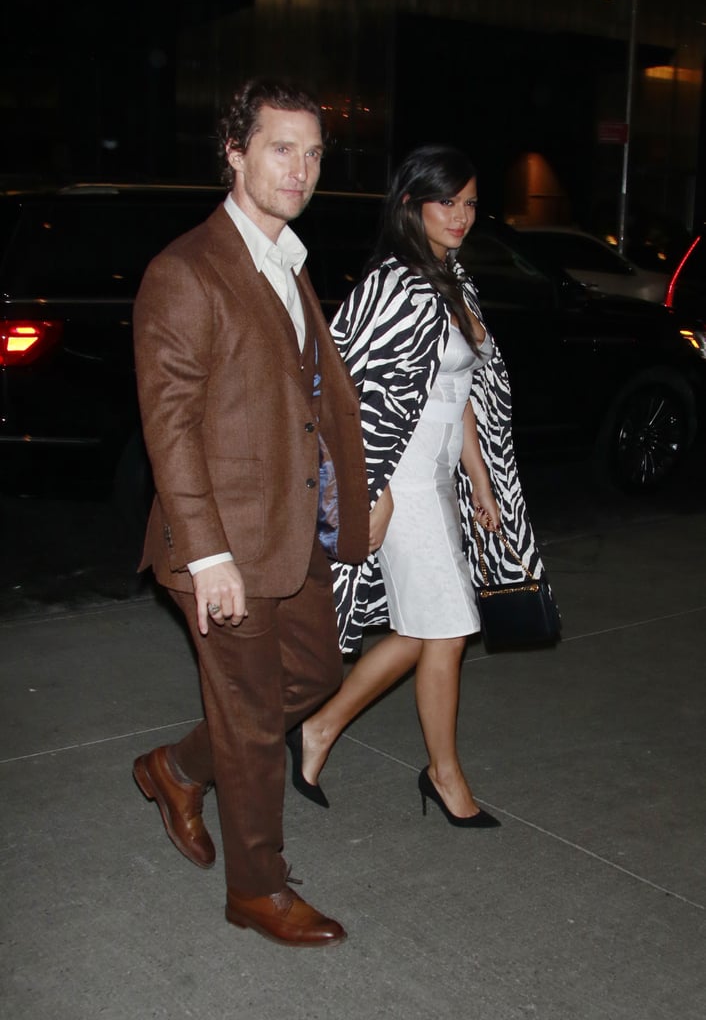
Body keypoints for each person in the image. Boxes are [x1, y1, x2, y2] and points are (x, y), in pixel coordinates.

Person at [131, 78, 369, 948]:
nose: (301, 168)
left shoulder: (288, 262)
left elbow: (311, 402)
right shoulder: (187, 270)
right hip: (223, 548)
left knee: (313, 677)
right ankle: (257, 889)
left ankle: (175, 768)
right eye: (281, 148)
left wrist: (353, 496)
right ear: (234, 153)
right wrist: (206, 556)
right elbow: (172, 427)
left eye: (313, 153)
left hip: (292, 530)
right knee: (251, 717)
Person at [289, 145, 545, 826]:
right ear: (412, 205)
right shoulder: (394, 284)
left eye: (468, 204)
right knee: (451, 626)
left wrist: (480, 479)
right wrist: (369, 485)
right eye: (446, 203)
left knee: (429, 627)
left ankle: (320, 726)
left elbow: (454, 391)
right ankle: (444, 774)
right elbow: (346, 386)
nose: (461, 216)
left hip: (437, 479)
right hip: (398, 480)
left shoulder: (451, 278)